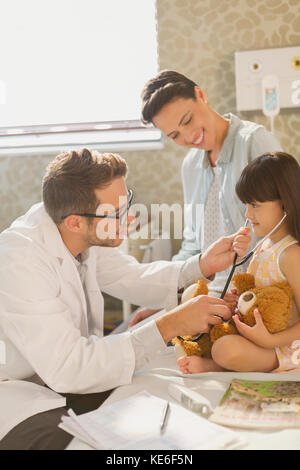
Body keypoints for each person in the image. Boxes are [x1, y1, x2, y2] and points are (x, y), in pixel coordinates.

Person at [0, 148, 251, 449]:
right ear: (75, 223)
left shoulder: (77, 226)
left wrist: (200, 266)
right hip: (16, 389)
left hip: (59, 374)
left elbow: (128, 275)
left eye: (126, 202)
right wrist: (167, 326)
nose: (130, 217)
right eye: (117, 212)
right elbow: (69, 366)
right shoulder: (21, 262)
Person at [130, 69, 282, 327]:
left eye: (187, 120)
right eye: (175, 135)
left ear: (200, 94)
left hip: (255, 292)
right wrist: (164, 299)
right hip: (209, 295)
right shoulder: (191, 166)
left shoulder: (253, 142)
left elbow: (285, 229)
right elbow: (192, 245)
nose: (188, 137)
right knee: (146, 333)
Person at [178, 152, 300, 374]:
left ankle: (216, 365)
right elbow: (255, 293)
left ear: (285, 204)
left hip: (285, 345)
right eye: (246, 205)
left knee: (225, 349)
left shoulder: (291, 254)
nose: (247, 213)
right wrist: (235, 300)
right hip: (256, 336)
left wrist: (270, 341)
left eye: (255, 205)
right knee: (203, 321)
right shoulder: (263, 246)